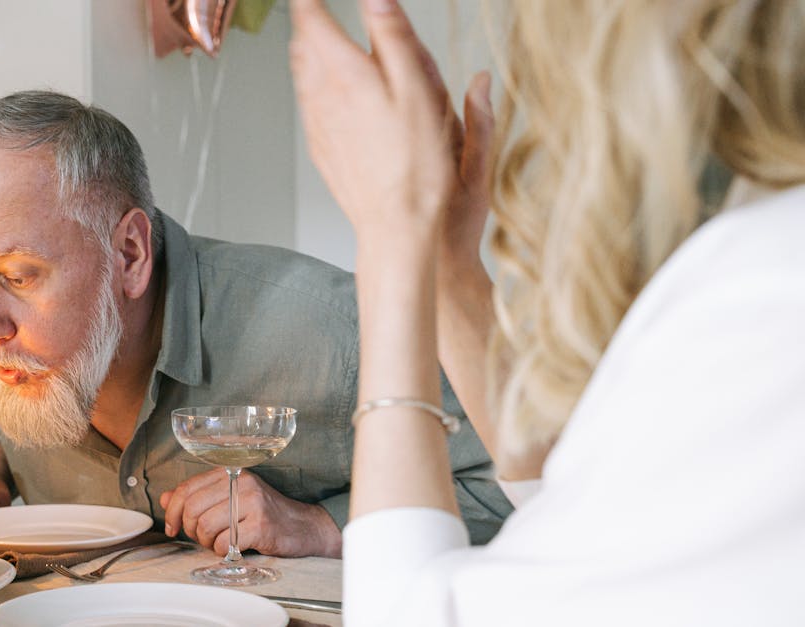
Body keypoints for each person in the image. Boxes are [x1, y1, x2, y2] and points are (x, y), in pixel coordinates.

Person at [291, 0, 805, 623]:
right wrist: (447, 264)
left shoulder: (769, 291)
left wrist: (392, 237)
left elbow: (414, 614)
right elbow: (585, 516)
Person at [0, 90, 512, 558]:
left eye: (19, 276)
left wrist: (324, 527)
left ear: (128, 254)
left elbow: (513, 488)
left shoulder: (331, 331)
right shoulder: (25, 358)